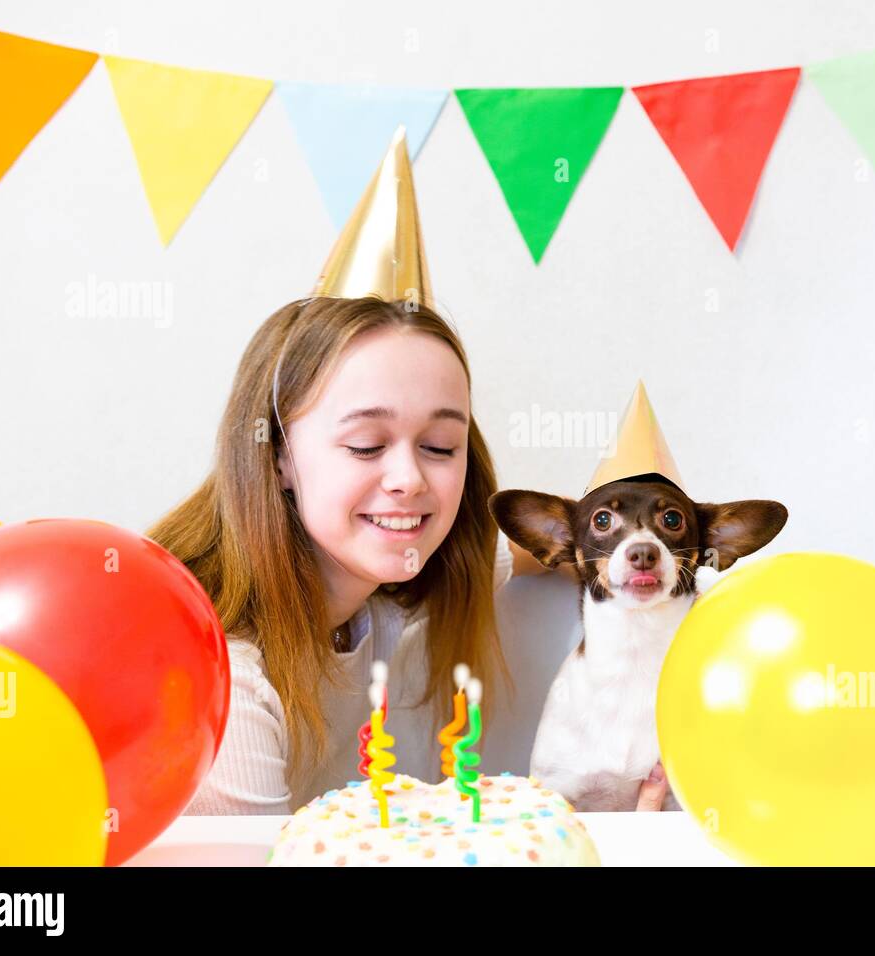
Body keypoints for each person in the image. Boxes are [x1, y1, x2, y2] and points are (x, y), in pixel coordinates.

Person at [148, 127, 670, 814]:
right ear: (276, 456)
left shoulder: (413, 575)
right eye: (366, 445)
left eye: (440, 446)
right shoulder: (228, 685)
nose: (410, 480)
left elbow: (531, 541)